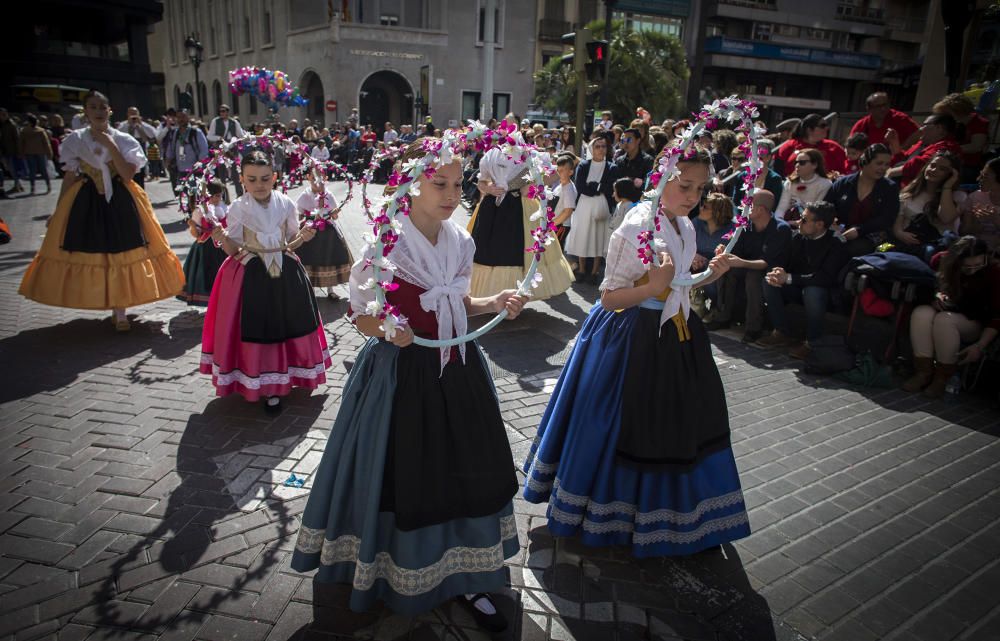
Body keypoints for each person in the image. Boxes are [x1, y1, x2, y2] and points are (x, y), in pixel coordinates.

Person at [291, 139, 526, 631]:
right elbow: (362, 313)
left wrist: (493, 301)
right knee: (404, 470)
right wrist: (386, 329)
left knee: (466, 467)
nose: (450, 193)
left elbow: (458, 301)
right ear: (411, 183)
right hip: (402, 377)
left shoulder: (461, 240)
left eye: (457, 184)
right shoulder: (387, 240)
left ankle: (469, 574)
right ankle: (390, 571)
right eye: (439, 183)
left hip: (457, 369)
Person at [522, 144, 750, 557]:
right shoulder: (636, 227)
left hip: (674, 334)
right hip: (629, 336)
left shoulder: (682, 225)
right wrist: (651, 286)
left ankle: (671, 515)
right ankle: (607, 513)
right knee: (621, 421)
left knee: (678, 421)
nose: (693, 196)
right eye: (685, 186)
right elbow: (610, 297)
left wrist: (707, 275)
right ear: (662, 178)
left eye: (700, 188)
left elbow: (675, 285)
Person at [18, 90, 185, 330]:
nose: (98, 111)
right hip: (85, 200)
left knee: (123, 247)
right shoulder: (75, 140)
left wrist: (110, 144)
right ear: (85, 111)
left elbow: (128, 174)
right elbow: (69, 176)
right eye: (93, 107)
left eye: (102, 107)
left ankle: (120, 311)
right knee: (90, 247)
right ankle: (105, 300)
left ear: (109, 111)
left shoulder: (124, 139)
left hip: (120, 198)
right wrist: (58, 211)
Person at [201, 150, 329, 413]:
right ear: (242, 180)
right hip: (250, 274)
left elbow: (289, 243)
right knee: (257, 325)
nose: (259, 184)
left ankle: (284, 380)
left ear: (275, 177)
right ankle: (262, 383)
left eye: (264, 178)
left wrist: (303, 236)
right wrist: (222, 237)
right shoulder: (237, 208)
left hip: (286, 275)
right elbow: (234, 250)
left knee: (289, 323)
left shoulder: (287, 205)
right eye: (252, 179)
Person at [467, 144, 575, 300]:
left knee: (513, 249)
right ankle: (491, 298)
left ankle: (512, 297)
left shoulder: (527, 156)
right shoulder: (490, 157)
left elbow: (550, 176)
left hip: (520, 208)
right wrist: (490, 189)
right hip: (492, 209)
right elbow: (482, 182)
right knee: (486, 249)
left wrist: (531, 184)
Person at [902, 236, 999, 398]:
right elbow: (928, 284)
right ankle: (923, 371)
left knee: (944, 320)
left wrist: (980, 346)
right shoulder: (942, 261)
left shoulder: (994, 272)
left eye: (978, 265)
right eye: (967, 267)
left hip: (974, 321)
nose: (973, 270)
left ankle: (943, 376)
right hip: (949, 308)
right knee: (922, 313)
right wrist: (936, 295)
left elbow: (997, 315)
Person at [760, 202, 849, 359]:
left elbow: (825, 278)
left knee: (812, 292)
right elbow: (785, 261)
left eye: (804, 220)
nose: (799, 222)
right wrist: (778, 272)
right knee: (769, 281)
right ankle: (782, 332)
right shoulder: (798, 237)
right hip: (797, 286)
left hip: (824, 293)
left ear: (820, 224)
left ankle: (812, 342)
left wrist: (788, 278)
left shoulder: (836, 243)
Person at [708, 189, 791, 343]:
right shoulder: (745, 225)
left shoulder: (780, 229)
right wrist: (724, 250)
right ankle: (723, 316)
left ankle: (754, 327)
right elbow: (734, 249)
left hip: (769, 273)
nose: (744, 207)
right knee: (725, 269)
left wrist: (740, 262)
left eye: (749, 204)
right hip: (745, 265)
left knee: (753, 277)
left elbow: (766, 263)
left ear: (760, 209)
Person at [824, 143, 900, 257]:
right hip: (841, 232)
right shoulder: (843, 184)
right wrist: (831, 222)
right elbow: (826, 207)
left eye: (887, 164)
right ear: (865, 162)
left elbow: (887, 219)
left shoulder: (890, 188)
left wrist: (860, 230)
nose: (883, 168)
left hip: (877, 238)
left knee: (851, 250)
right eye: (879, 163)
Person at [893, 151, 965, 262]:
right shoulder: (907, 194)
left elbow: (946, 218)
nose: (934, 170)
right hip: (903, 242)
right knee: (881, 248)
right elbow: (897, 225)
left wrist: (947, 187)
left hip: (933, 247)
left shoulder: (958, 197)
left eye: (942, 169)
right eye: (932, 165)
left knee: (929, 253)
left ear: (950, 175)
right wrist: (900, 234)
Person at [566, 131, 618, 284]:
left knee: (599, 237)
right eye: (597, 146)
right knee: (583, 236)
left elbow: (609, 188)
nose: (601, 149)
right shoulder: (584, 165)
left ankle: (595, 272)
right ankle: (582, 270)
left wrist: (596, 186)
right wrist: (598, 187)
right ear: (591, 148)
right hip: (584, 205)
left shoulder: (612, 167)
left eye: (603, 146)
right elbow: (582, 187)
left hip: (602, 205)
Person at [295, 168, 354, 299]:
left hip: (328, 232)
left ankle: (330, 289)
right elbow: (300, 216)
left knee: (329, 257)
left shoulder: (329, 194)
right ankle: (307, 287)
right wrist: (310, 219)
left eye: (321, 179)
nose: (318, 183)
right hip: (310, 231)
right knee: (308, 257)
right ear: (308, 178)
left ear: (326, 180)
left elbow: (334, 217)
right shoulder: (305, 195)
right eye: (315, 179)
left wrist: (334, 214)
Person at [177, 179, 229, 306]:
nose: (218, 198)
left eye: (220, 195)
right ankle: (211, 301)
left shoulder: (224, 208)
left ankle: (224, 299)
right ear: (207, 195)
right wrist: (193, 226)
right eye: (215, 195)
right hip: (205, 248)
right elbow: (195, 234)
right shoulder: (199, 210)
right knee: (207, 274)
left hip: (223, 246)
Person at [885, 113, 961, 187]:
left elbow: (920, 165)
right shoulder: (923, 143)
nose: (921, 129)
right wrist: (894, 142)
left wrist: (891, 172)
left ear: (939, 128)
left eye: (925, 125)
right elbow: (902, 161)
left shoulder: (947, 147)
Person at [932, 93, 990, 182]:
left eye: (948, 113)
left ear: (958, 110)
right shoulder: (955, 123)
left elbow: (976, 146)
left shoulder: (979, 122)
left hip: (968, 165)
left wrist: (951, 148)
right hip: (950, 162)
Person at [693, 192, 736, 310]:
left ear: (717, 212)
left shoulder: (732, 230)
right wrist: (693, 256)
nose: (701, 208)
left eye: (705, 207)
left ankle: (716, 309)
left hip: (717, 268)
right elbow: (682, 243)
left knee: (713, 274)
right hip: (694, 264)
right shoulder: (696, 223)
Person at [775, 114, 848, 178]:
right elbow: (778, 171)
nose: (827, 128)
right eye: (822, 126)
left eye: (827, 125)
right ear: (809, 129)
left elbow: (847, 169)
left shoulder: (833, 147)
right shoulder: (789, 146)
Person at [774, 148, 833, 228]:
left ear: (814, 165)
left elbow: (816, 212)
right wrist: (780, 223)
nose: (797, 165)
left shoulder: (825, 184)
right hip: (787, 223)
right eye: (796, 162)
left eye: (802, 163)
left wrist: (800, 222)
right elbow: (781, 208)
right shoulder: (789, 182)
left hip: (810, 226)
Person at [726, 138, 784, 211]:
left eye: (760, 155)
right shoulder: (741, 177)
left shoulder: (775, 179)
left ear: (768, 158)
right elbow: (736, 204)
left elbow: (774, 207)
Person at [849, 92, 919, 147]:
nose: (883, 109)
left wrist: (902, 149)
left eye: (885, 105)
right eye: (878, 106)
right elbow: (851, 146)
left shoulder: (899, 118)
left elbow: (919, 133)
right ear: (869, 109)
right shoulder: (862, 125)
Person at [960, 157, 1000, 252]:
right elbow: (963, 232)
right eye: (980, 175)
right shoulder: (975, 197)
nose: (978, 179)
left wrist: (996, 220)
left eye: (985, 177)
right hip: (976, 250)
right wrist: (975, 224)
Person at [163, 109, 209, 190]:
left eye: (183, 117)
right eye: (178, 117)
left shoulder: (195, 132)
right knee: (182, 196)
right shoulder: (175, 133)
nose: (181, 119)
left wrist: (199, 164)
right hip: (179, 170)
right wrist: (168, 160)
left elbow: (204, 149)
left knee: (194, 195)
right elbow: (171, 148)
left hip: (194, 171)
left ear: (188, 118)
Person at [116, 107, 157, 187]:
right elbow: (117, 134)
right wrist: (129, 124)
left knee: (140, 178)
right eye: (131, 113)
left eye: (135, 113)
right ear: (127, 114)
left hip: (139, 151)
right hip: (126, 152)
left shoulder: (143, 125)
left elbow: (153, 134)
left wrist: (141, 123)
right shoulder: (123, 125)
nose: (133, 116)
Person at [18, 115, 53, 195]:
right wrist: (49, 153)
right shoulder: (40, 131)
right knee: (43, 170)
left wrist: (21, 153)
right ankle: (48, 185)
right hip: (40, 152)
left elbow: (21, 143)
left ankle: (33, 187)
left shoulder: (24, 131)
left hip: (30, 153)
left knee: (32, 171)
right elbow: (46, 143)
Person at [550, 154, 577, 251]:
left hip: (561, 226)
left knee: (556, 253)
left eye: (563, 170)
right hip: (555, 224)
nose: (559, 172)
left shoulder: (568, 188)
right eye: (558, 170)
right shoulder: (560, 186)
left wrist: (552, 225)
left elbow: (568, 211)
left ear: (571, 172)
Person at [0, 108, 23, 195]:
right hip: (3, 151)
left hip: (11, 150)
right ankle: (18, 185)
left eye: (4, 114)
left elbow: (17, 139)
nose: (2, 116)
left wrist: (19, 151)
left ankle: (17, 185)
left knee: (13, 169)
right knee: (8, 169)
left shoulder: (11, 125)